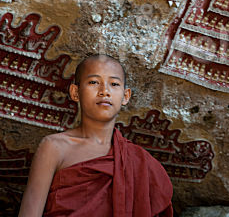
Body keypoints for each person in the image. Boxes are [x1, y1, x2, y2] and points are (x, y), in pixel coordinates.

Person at [18, 54, 173, 217]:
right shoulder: (54, 147)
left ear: (125, 96)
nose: (104, 91)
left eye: (114, 84)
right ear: (75, 92)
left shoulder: (138, 161)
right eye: (93, 82)